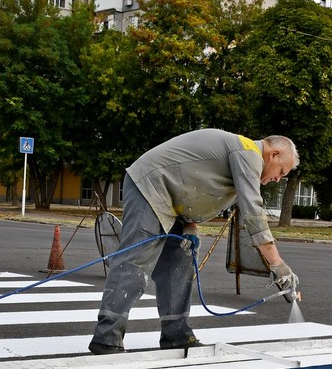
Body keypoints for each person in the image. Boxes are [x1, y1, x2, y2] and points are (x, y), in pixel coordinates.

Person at [89, 129, 300, 355]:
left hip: (172, 200)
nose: (278, 179)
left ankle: (176, 334)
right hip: (151, 186)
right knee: (135, 262)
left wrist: (191, 225)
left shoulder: (243, 157)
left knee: (180, 263)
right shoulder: (248, 152)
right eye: (281, 172)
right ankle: (106, 337)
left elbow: (195, 182)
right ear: (274, 154)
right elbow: (253, 213)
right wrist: (278, 265)